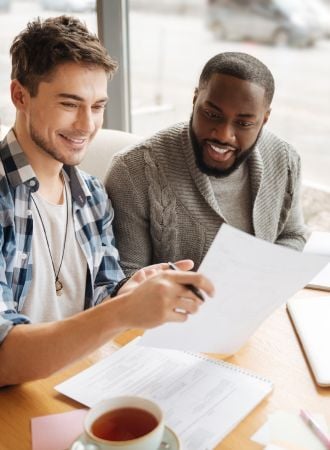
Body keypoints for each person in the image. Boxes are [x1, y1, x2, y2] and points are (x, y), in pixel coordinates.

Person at [0, 16, 214, 386]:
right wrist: (121, 313)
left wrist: (127, 293)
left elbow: (101, 297)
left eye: (97, 106)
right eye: (70, 104)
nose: (87, 125)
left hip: (79, 386)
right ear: (20, 95)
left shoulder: (92, 195)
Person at [105, 52, 307, 276]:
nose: (223, 135)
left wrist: (262, 281)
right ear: (194, 100)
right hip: (170, 310)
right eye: (212, 114)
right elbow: (127, 276)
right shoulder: (133, 171)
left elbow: (292, 235)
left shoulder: (285, 159)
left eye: (244, 123)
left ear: (264, 119)